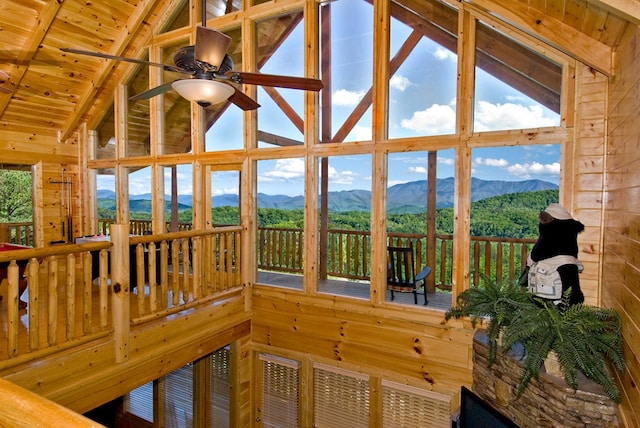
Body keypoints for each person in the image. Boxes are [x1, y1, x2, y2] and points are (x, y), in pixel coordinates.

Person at [526, 203, 585, 307]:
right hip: (541, 308)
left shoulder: (565, 262)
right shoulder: (539, 254)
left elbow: (572, 294)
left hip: (555, 311)